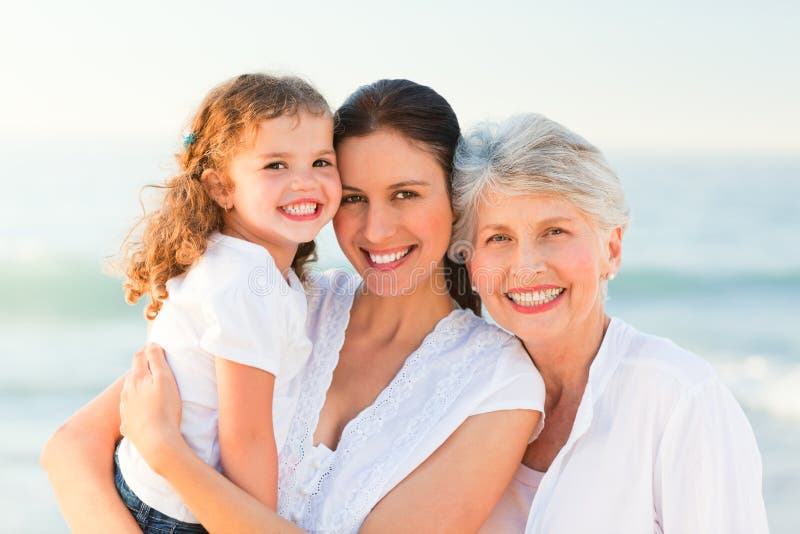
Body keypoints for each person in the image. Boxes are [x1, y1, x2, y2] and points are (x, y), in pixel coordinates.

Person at [41, 79, 546, 534]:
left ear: (457, 201)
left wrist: (168, 455)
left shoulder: (499, 383)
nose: (376, 229)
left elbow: (147, 437)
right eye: (352, 198)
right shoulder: (287, 298)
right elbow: (70, 448)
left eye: (406, 194)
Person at [451, 113, 770, 533]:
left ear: (612, 250)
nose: (526, 266)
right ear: (472, 262)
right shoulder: (457, 397)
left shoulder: (679, 400)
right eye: (499, 238)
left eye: (555, 231)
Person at [111, 73, 341, 533]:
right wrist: (256, 522)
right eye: (275, 165)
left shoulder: (237, 262)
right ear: (221, 188)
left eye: (321, 161)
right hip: (177, 515)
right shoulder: (247, 281)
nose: (305, 182)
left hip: (154, 489)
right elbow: (247, 437)